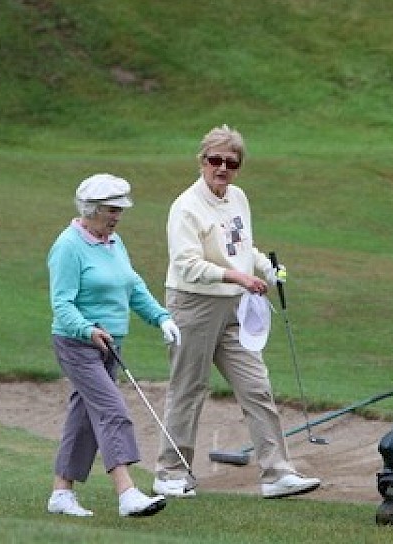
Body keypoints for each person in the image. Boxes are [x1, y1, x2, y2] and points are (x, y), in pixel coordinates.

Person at [153, 125, 321, 499]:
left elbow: (242, 246)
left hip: (234, 304)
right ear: (202, 161)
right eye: (215, 160)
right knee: (188, 389)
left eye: (231, 162)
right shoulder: (186, 207)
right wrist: (238, 277)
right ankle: (170, 473)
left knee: (256, 386)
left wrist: (266, 269)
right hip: (192, 304)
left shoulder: (238, 198)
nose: (222, 168)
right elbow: (187, 265)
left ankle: (277, 473)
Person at [46, 173, 182, 518]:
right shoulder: (68, 246)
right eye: (111, 209)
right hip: (77, 344)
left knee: (83, 419)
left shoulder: (113, 242)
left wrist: (161, 317)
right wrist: (88, 329)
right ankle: (127, 493)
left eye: (120, 209)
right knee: (112, 411)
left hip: (110, 345)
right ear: (91, 209)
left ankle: (61, 494)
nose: (117, 216)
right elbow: (62, 304)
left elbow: (132, 286)